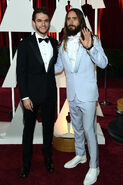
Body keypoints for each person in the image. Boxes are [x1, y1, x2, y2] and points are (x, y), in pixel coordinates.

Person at [55, 8, 108, 185]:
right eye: (68, 19)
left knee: (89, 130)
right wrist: (41, 63)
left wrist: (90, 47)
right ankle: (80, 155)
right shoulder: (61, 43)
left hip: (88, 94)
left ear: (80, 21)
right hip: (72, 94)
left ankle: (94, 167)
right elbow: (58, 68)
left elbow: (103, 63)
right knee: (76, 128)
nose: (71, 21)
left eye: (74, 19)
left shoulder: (92, 39)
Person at [16, 7, 58, 178]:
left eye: (46, 20)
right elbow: (21, 72)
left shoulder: (55, 43)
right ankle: (26, 164)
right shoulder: (25, 44)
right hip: (30, 97)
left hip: (49, 94)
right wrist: (24, 97)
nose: (43, 24)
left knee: (49, 129)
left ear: (49, 23)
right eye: (39, 20)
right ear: (34, 23)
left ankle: (48, 159)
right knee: (28, 131)